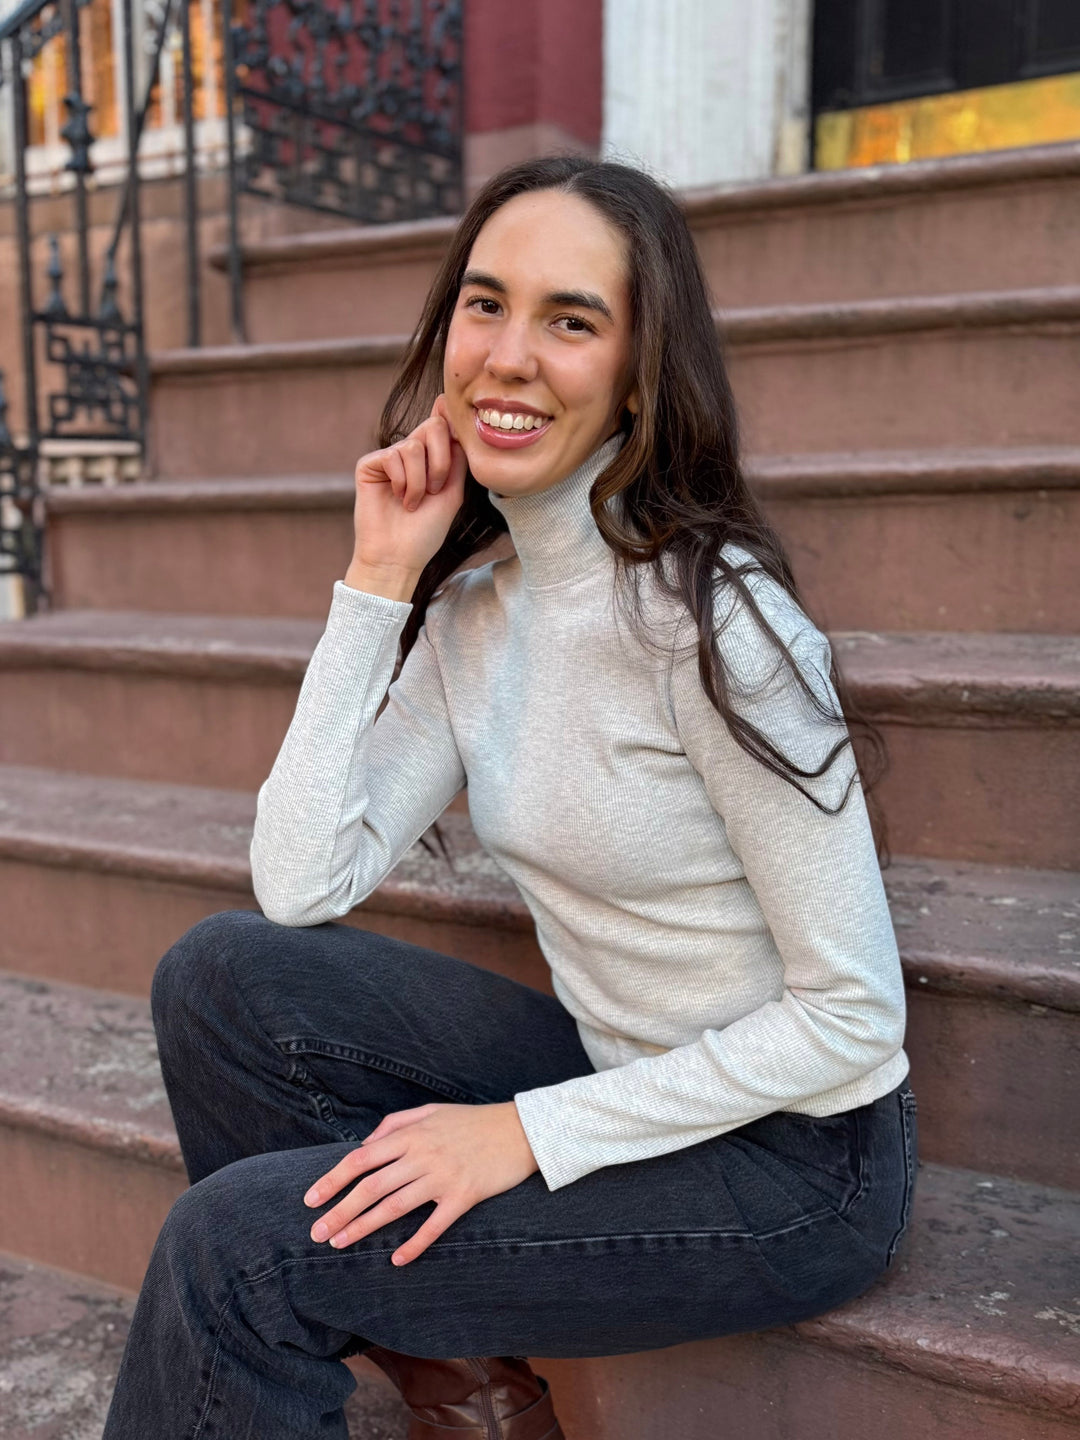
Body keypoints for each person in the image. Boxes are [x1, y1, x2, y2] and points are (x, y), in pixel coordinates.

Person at [103, 155, 917, 1440]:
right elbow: (301, 882)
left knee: (236, 1253)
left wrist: (526, 1135)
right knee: (220, 976)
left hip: (794, 1164)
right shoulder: (481, 612)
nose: (509, 356)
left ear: (641, 374)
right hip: (620, 1067)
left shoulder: (719, 626)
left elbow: (855, 1018)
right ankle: (474, 1396)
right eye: (486, 305)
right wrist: (379, 580)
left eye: (571, 320)